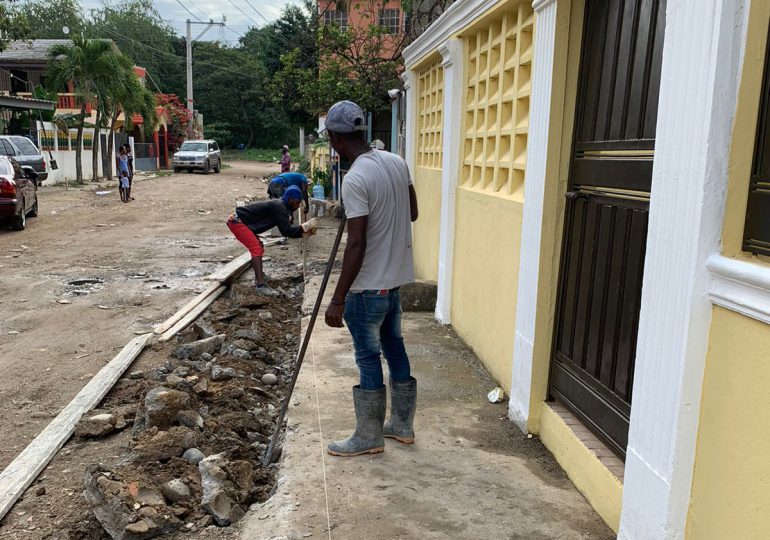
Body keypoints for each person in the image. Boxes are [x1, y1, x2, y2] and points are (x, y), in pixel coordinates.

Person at [323, 100, 419, 457]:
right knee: (394, 348)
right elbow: (413, 211)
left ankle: (369, 436)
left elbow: (357, 242)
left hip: (366, 289)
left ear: (335, 138)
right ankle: (402, 426)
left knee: (367, 356)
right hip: (393, 283)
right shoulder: (396, 162)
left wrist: (338, 298)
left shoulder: (356, 178)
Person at [227, 185, 318, 294]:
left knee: (259, 246)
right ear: (290, 200)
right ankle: (260, 286)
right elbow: (286, 231)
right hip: (238, 222)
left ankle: (260, 276)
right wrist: (304, 228)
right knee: (256, 248)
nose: (298, 206)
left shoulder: (282, 205)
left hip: (241, 221)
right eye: (297, 202)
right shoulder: (279, 207)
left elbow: (286, 226)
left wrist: (301, 231)